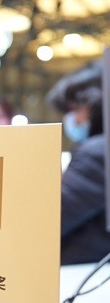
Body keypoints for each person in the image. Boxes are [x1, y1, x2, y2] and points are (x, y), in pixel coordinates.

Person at [60, 85, 110, 264]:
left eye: (75, 110)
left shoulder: (94, 154)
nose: (72, 118)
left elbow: (55, 218)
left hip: (84, 263)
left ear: (89, 110)